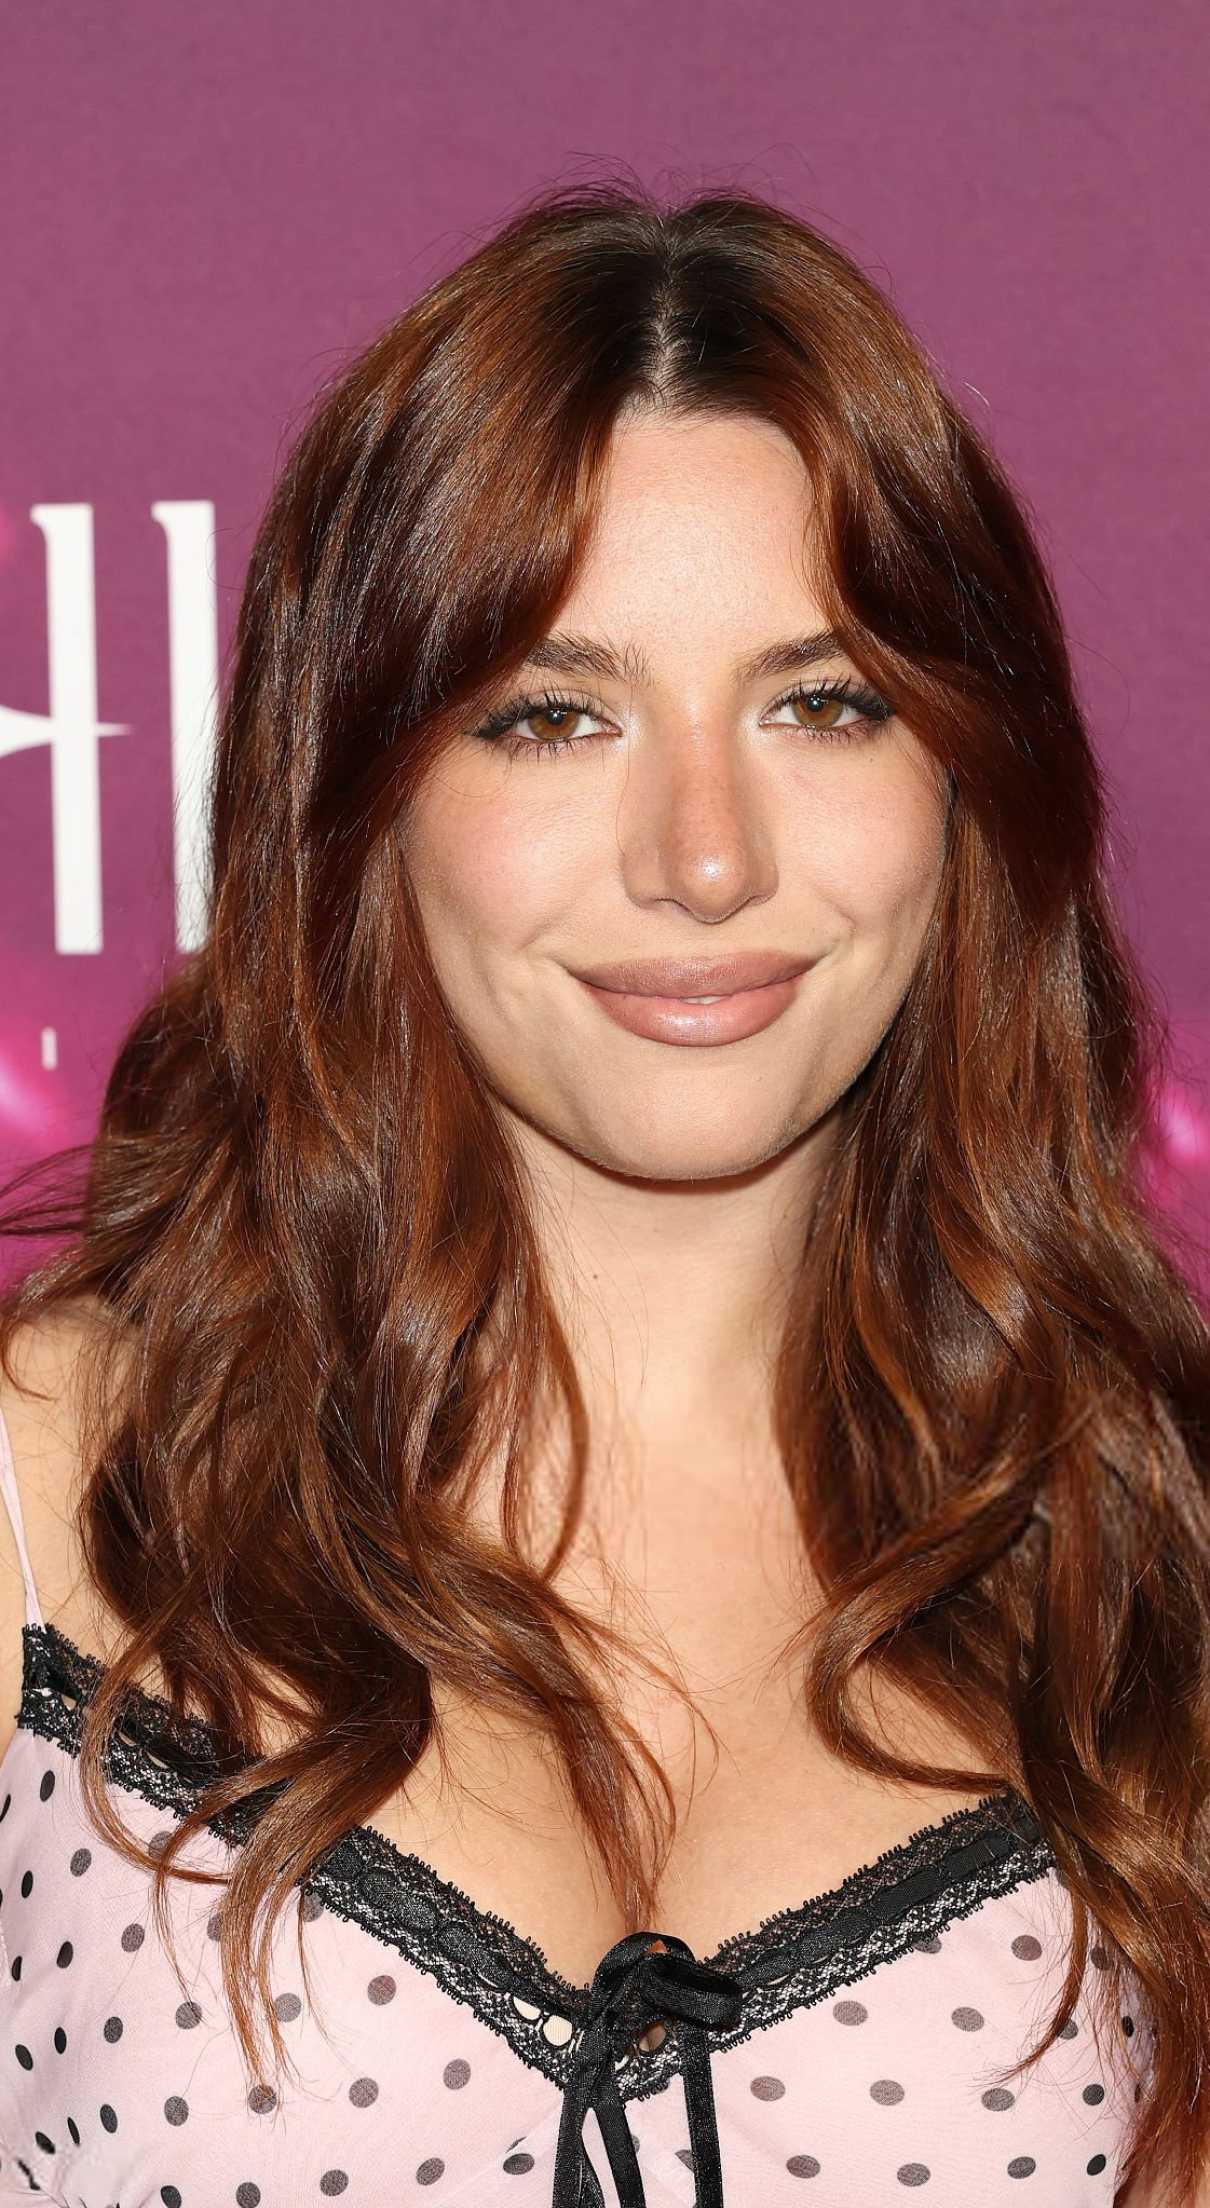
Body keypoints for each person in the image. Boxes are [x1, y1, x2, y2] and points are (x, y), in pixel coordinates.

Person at [0, 176, 1205, 2208]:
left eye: (822, 703)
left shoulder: (1143, 1541)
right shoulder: (41, 1494)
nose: (704, 857)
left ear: (964, 782)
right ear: (359, 796)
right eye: (553, 717)